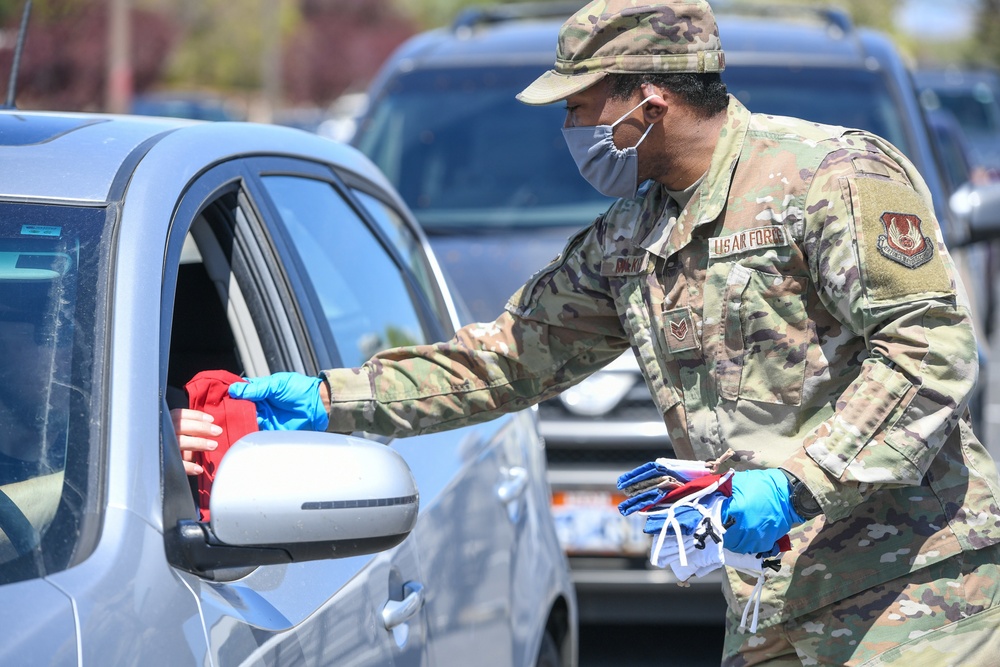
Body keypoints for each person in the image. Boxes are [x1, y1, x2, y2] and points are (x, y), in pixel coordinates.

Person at [174, 1, 1000, 663]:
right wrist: (324, 400)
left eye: (578, 104)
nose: (568, 124)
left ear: (650, 100)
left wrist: (795, 483)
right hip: (774, 598)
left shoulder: (831, 175)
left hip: (918, 591)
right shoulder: (630, 237)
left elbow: (930, 353)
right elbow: (505, 359)